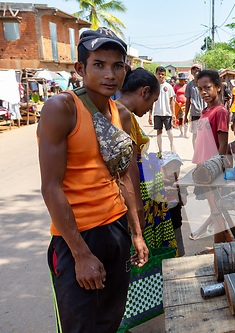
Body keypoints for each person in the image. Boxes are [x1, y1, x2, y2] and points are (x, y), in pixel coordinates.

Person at [38, 27, 148, 333]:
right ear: (80, 68)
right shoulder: (62, 109)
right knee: (80, 327)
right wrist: (81, 255)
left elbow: (125, 177)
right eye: (98, 64)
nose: (109, 74)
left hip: (115, 230)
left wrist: (136, 233)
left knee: (109, 321)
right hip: (76, 236)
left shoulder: (122, 115)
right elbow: (50, 186)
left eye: (117, 65)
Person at [117, 67, 177, 250]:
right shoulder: (123, 115)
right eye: (154, 101)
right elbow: (130, 166)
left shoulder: (114, 111)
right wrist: (137, 207)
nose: (152, 107)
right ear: (144, 92)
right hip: (135, 192)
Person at [192, 70, 229, 246]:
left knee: (217, 208)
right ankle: (215, 240)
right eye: (200, 89)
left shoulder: (220, 111)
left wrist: (219, 169)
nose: (203, 92)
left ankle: (218, 247)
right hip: (203, 166)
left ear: (218, 88)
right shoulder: (206, 110)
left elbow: (223, 144)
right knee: (213, 205)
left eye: (207, 88)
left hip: (212, 168)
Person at [160, 151, 187, 257]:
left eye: (176, 168)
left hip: (175, 223)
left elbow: (183, 202)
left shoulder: (180, 184)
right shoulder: (156, 184)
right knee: (163, 249)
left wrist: (177, 195)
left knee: (177, 246)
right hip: (161, 224)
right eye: (168, 168)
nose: (173, 171)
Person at [149, 66, 176, 152]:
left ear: (164, 75)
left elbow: (172, 100)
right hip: (157, 113)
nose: (160, 76)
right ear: (156, 74)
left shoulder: (168, 86)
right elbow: (151, 102)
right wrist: (150, 115)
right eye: (159, 74)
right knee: (159, 132)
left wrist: (173, 113)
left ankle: (172, 146)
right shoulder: (153, 87)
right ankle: (160, 150)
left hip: (167, 113)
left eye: (162, 74)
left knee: (169, 131)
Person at [185, 64, 206, 148]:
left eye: (197, 69)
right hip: (194, 113)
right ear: (191, 72)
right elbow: (187, 101)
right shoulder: (189, 85)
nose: (196, 71)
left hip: (205, 112)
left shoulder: (205, 83)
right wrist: (186, 116)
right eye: (193, 70)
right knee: (195, 135)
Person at [174, 73, 188, 138]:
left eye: (182, 79)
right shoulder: (176, 86)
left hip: (186, 105)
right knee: (180, 118)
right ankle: (181, 132)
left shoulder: (187, 86)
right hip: (178, 104)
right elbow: (173, 94)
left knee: (186, 118)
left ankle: (185, 133)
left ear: (184, 80)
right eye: (180, 80)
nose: (181, 81)